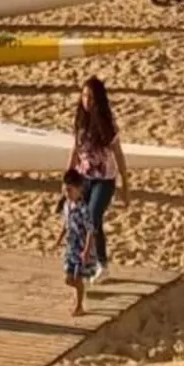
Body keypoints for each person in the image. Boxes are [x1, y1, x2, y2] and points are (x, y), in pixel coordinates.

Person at [69, 76, 128, 282]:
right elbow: (75, 149)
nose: (87, 101)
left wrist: (125, 186)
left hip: (105, 179)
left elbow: (119, 154)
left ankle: (102, 264)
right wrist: (69, 176)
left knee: (94, 216)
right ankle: (94, 262)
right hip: (84, 176)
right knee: (88, 221)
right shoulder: (79, 120)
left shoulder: (106, 124)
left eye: (91, 98)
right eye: (84, 96)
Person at [56, 169, 96, 315]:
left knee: (77, 276)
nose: (67, 193)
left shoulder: (84, 209)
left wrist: (86, 250)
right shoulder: (67, 205)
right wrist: (58, 239)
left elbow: (91, 230)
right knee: (68, 278)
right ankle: (80, 292)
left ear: (79, 189)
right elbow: (65, 224)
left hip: (81, 248)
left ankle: (79, 306)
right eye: (65, 190)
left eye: (70, 190)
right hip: (70, 248)